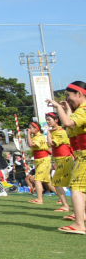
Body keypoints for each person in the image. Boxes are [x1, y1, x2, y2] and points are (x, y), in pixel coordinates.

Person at [52, 82, 86, 234]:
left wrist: (58, 108)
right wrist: (67, 108)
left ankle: (79, 223)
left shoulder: (83, 110)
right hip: (80, 155)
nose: (67, 98)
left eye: (69, 95)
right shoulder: (80, 110)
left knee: (76, 188)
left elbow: (67, 122)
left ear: (79, 94)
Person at [46, 112, 73, 213]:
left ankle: (66, 205)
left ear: (56, 120)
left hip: (64, 159)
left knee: (57, 182)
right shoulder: (55, 131)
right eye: (47, 120)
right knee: (70, 184)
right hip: (59, 159)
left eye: (49, 119)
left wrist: (48, 133)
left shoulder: (61, 132)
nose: (48, 122)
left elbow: (51, 143)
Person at [27, 121, 55, 206]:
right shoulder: (35, 136)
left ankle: (39, 198)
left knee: (37, 179)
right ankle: (62, 198)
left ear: (36, 129)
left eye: (31, 128)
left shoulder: (39, 137)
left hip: (43, 160)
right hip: (39, 161)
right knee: (47, 182)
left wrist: (28, 134)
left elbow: (31, 144)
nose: (29, 129)